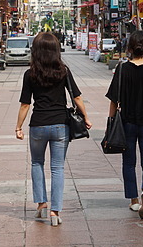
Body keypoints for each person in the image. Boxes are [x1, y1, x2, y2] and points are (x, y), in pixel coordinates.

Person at [15, 32, 92, 226]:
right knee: (57, 168)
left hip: (38, 125)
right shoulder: (63, 71)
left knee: (37, 164)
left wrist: (18, 127)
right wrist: (86, 117)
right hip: (60, 125)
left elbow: (25, 104)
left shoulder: (30, 74)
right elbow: (77, 97)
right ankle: (55, 212)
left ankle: (41, 205)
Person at [105, 30, 143, 219]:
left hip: (127, 123)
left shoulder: (123, 69)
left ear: (129, 47)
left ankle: (133, 200)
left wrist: (111, 121)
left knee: (128, 162)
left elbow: (114, 100)